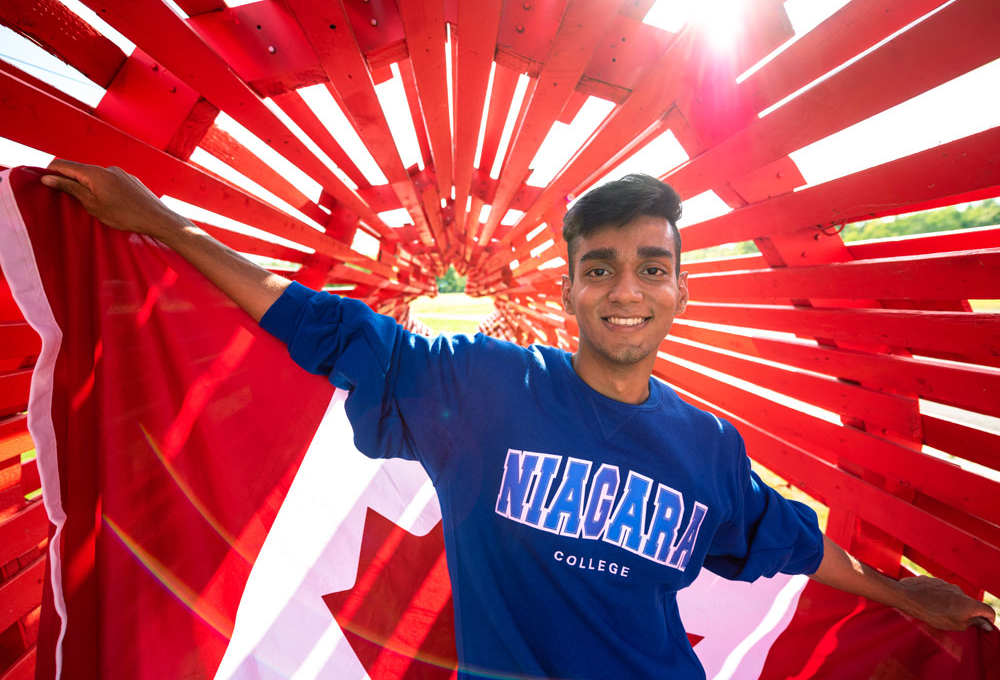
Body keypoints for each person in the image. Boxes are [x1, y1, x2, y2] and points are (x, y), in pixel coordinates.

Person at [41, 161, 995, 679]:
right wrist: (161, 224)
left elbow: (785, 541)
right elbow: (323, 328)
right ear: (572, 286)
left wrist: (905, 597)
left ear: (679, 289)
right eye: (601, 267)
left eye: (651, 268)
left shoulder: (707, 447)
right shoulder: (480, 389)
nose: (627, 290)